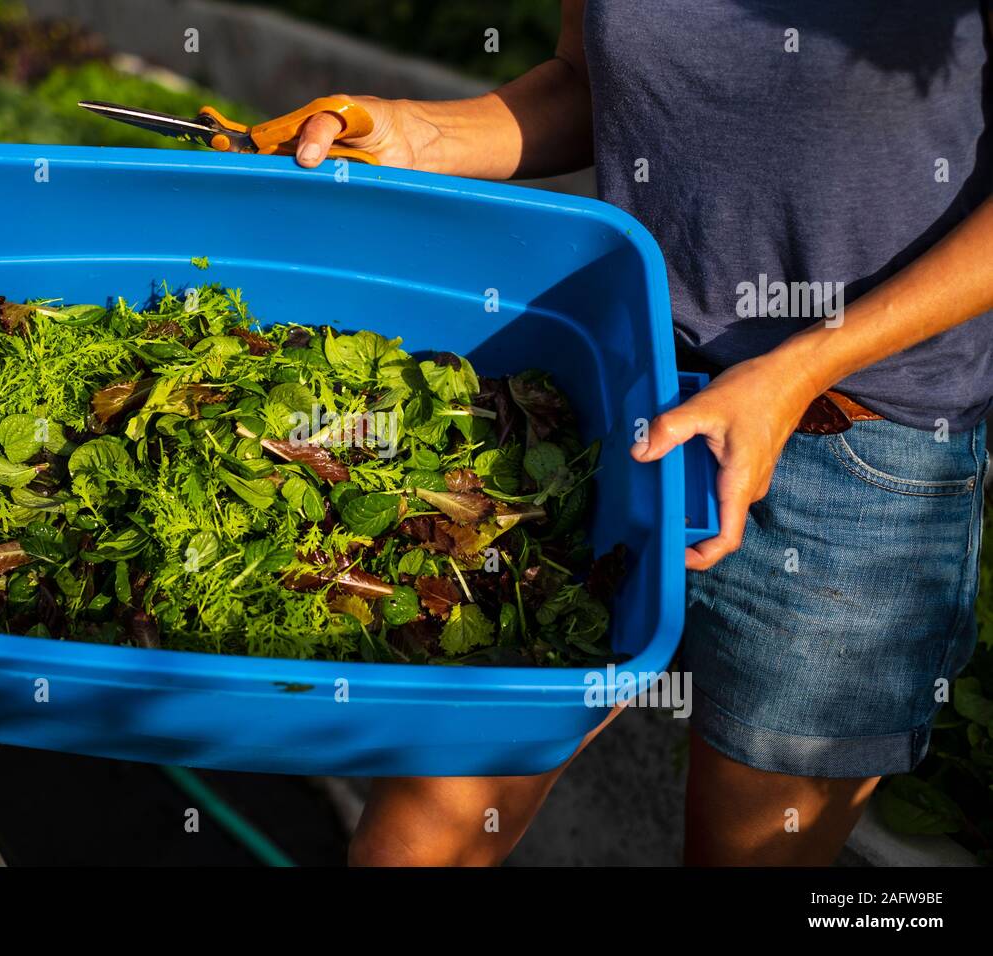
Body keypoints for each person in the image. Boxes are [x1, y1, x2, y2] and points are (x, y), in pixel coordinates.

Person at [291, 0, 993, 866]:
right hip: (624, 411)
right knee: (417, 839)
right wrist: (410, 133)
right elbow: (593, 88)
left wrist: (799, 367)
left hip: (852, 452)